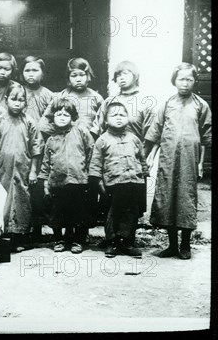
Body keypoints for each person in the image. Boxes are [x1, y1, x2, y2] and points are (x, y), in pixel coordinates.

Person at [145, 63, 212, 260]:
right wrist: (151, 157)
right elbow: (156, 133)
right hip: (168, 158)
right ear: (174, 80)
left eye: (189, 79)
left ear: (194, 81)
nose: (185, 83)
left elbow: (206, 138)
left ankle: (185, 245)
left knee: (185, 198)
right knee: (167, 199)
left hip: (189, 160)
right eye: (181, 79)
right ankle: (172, 245)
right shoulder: (167, 104)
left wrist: (200, 163)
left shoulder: (201, 105)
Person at [0, 84, 44, 253]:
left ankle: (20, 237)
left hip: (23, 169)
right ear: (7, 100)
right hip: (3, 169)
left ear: (25, 102)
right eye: (14, 99)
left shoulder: (29, 122)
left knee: (23, 201)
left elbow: (36, 148)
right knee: (3, 201)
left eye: (21, 100)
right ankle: (2, 237)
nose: (17, 103)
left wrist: (33, 170)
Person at [90, 61, 154, 228]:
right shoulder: (109, 101)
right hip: (112, 163)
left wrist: (142, 160)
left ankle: (127, 239)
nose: (121, 78)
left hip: (134, 161)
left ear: (136, 76)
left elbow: (150, 135)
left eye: (126, 73)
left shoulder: (144, 101)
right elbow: (98, 128)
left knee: (132, 205)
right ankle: (111, 239)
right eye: (118, 75)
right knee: (110, 203)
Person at [89, 102, 148, 258]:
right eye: (114, 115)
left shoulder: (134, 139)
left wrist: (144, 175)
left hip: (133, 183)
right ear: (106, 120)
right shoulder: (102, 140)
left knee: (132, 213)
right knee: (113, 213)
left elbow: (141, 159)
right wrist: (99, 182)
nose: (119, 118)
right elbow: (95, 163)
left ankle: (127, 242)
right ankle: (112, 242)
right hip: (113, 184)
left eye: (122, 115)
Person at [38, 98, 94, 255]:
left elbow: (91, 152)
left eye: (66, 114)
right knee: (58, 212)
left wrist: (89, 175)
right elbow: (46, 163)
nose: (62, 117)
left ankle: (77, 240)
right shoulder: (50, 140)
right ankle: (59, 239)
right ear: (53, 117)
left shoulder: (81, 132)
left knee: (78, 212)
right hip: (57, 182)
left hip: (79, 181)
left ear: (73, 117)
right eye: (58, 114)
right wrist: (45, 182)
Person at [19, 56, 54, 241]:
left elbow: (52, 121)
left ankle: (37, 230)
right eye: (27, 70)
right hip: (20, 144)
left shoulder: (48, 95)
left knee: (37, 187)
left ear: (42, 73)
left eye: (35, 70)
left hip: (40, 147)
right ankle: (21, 228)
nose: (31, 74)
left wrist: (40, 134)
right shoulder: (17, 91)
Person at [39, 57, 103, 137]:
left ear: (88, 76)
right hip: (66, 141)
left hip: (88, 141)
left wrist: (94, 134)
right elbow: (44, 121)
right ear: (68, 78)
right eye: (74, 76)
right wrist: (57, 134)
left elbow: (103, 119)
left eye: (82, 75)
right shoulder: (61, 96)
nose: (78, 79)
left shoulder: (96, 97)